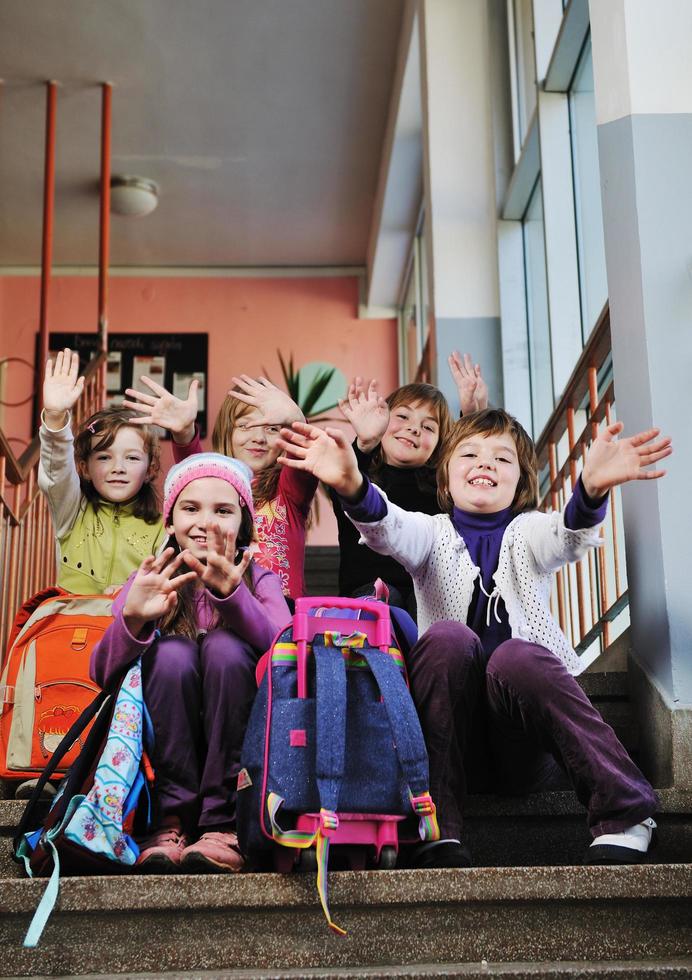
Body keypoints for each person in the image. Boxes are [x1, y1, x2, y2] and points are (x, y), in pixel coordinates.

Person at [276, 408, 672, 868]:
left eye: (502, 459)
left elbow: (564, 536)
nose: (485, 464)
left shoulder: (528, 531)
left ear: (520, 482)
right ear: (445, 473)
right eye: (469, 453)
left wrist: (590, 490)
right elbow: (390, 527)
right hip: (448, 741)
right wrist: (351, 486)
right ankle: (435, 825)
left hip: (522, 748)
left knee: (516, 657)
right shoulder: (430, 532)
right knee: (446, 638)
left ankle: (625, 812)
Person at [90, 453, 289, 873]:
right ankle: (170, 822)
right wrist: (133, 619)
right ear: (169, 522)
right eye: (191, 508)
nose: (206, 522)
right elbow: (101, 673)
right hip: (169, 749)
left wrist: (236, 597)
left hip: (238, 748)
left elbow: (286, 654)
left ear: (244, 525)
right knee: (172, 652)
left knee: (223, 648)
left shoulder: (260, 579)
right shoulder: (151, 578)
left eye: (223, 511)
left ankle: (225, 824)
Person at [123, 374, 317, 603]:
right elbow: (196, 474)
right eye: (245, 425)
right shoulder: (213, 485)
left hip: (281, 623)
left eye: (273, 429)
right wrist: (184, 432)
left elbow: (304, 453)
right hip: (219, 613)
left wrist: (298, 422)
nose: (259, 438)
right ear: (227, 430)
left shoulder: (289, 492)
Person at [332, 354, 486, 618]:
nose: (414, 429)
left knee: (433, 603)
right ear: (381, 419)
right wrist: (365, 443)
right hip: (368, 597)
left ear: (440, 444)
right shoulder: (358, 474)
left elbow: (474, 480)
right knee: (380, 602)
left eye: (428, 427)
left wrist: (472, 417)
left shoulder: (443, 489)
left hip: (428, 597)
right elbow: (346, 479)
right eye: (402, 416)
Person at [39, 348, 165, 595]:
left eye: (131, 457)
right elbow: (57, 472)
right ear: (85, 468)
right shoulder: (72, 513)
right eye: (105, 457)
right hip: (74, 627)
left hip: (130, 630)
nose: (118, 467)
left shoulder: (162, 530)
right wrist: (55, 418)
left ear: (150, 470)